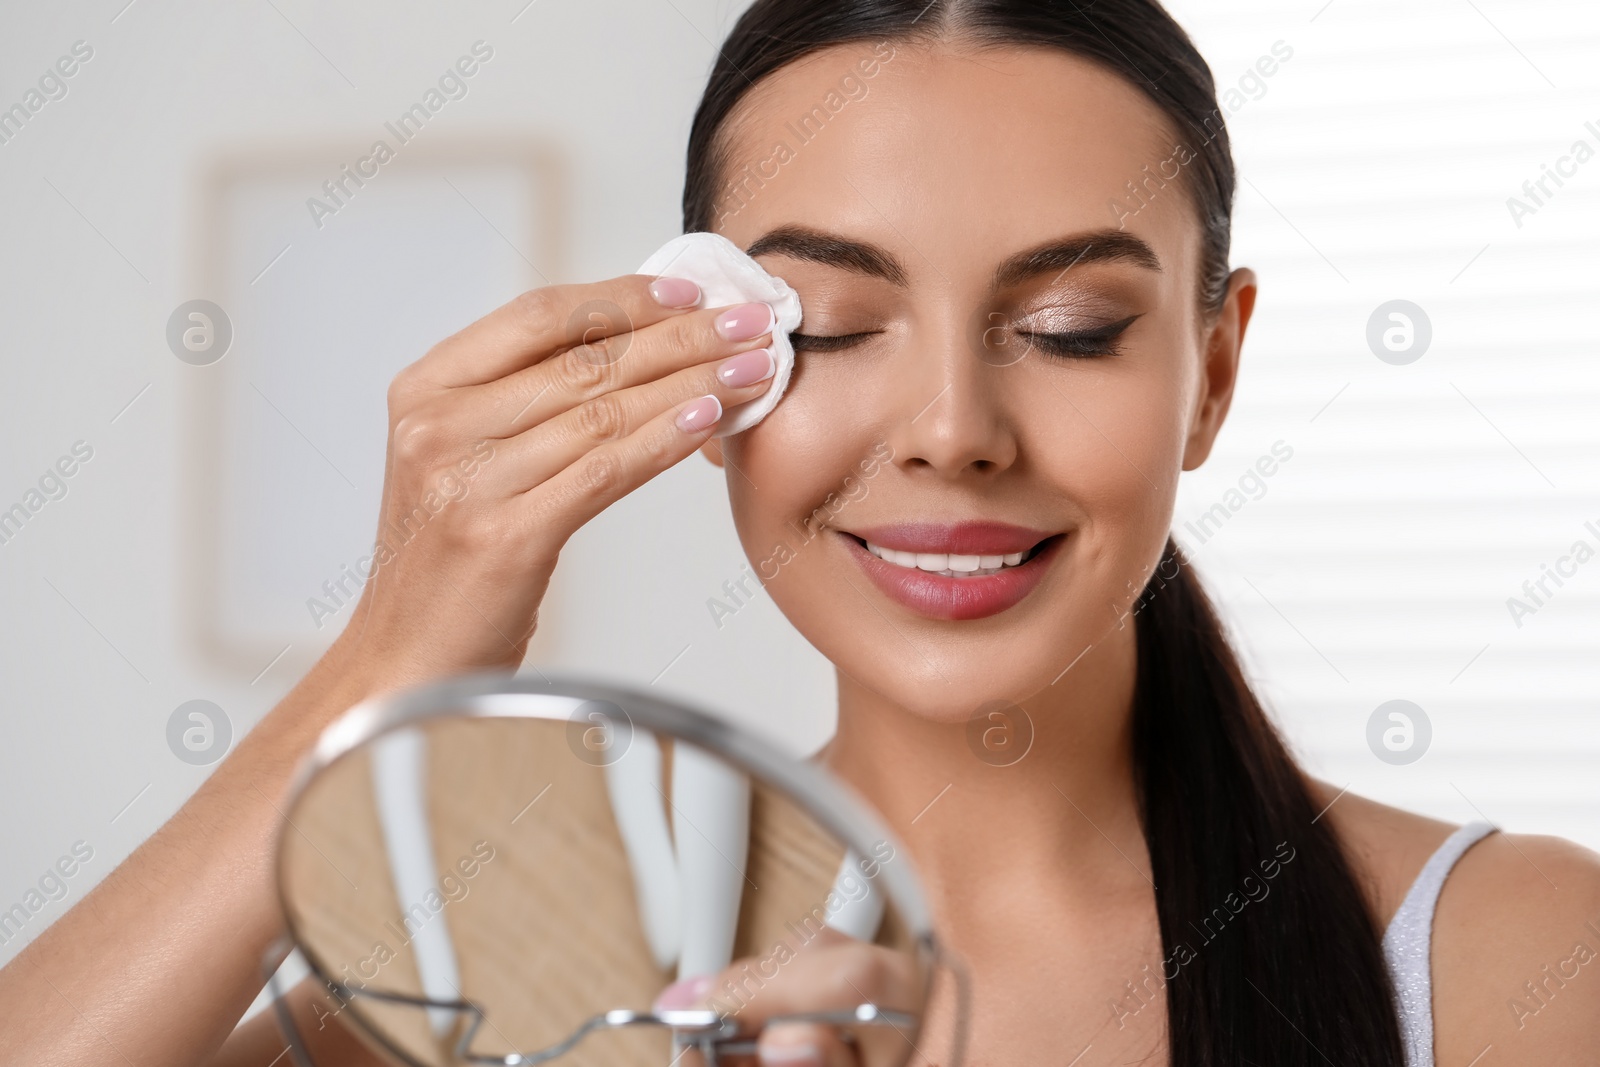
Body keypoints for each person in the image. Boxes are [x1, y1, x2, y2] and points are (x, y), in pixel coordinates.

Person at [4, 1, 1598, 1064]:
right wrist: (386, 659)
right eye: (830, 324)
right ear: (705, 358)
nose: (953, 427)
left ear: (1215, 372)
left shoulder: (1506, 954)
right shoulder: (529, 955)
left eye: (1069, 324)